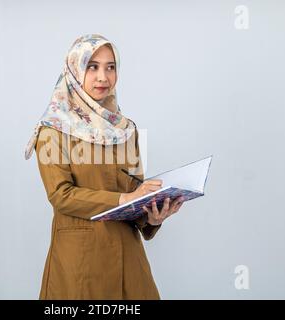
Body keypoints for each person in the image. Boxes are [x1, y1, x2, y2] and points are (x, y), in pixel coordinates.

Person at [24, 34, 184, 299]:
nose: (103, 77)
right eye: (92, 66)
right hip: (81, 263)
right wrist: (124, 197)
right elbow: (60, 195)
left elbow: (135, 193)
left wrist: (152, 217)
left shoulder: (125, 130)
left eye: (110, 67)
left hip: (128, 261)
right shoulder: (53, 129)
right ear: (75, 70)